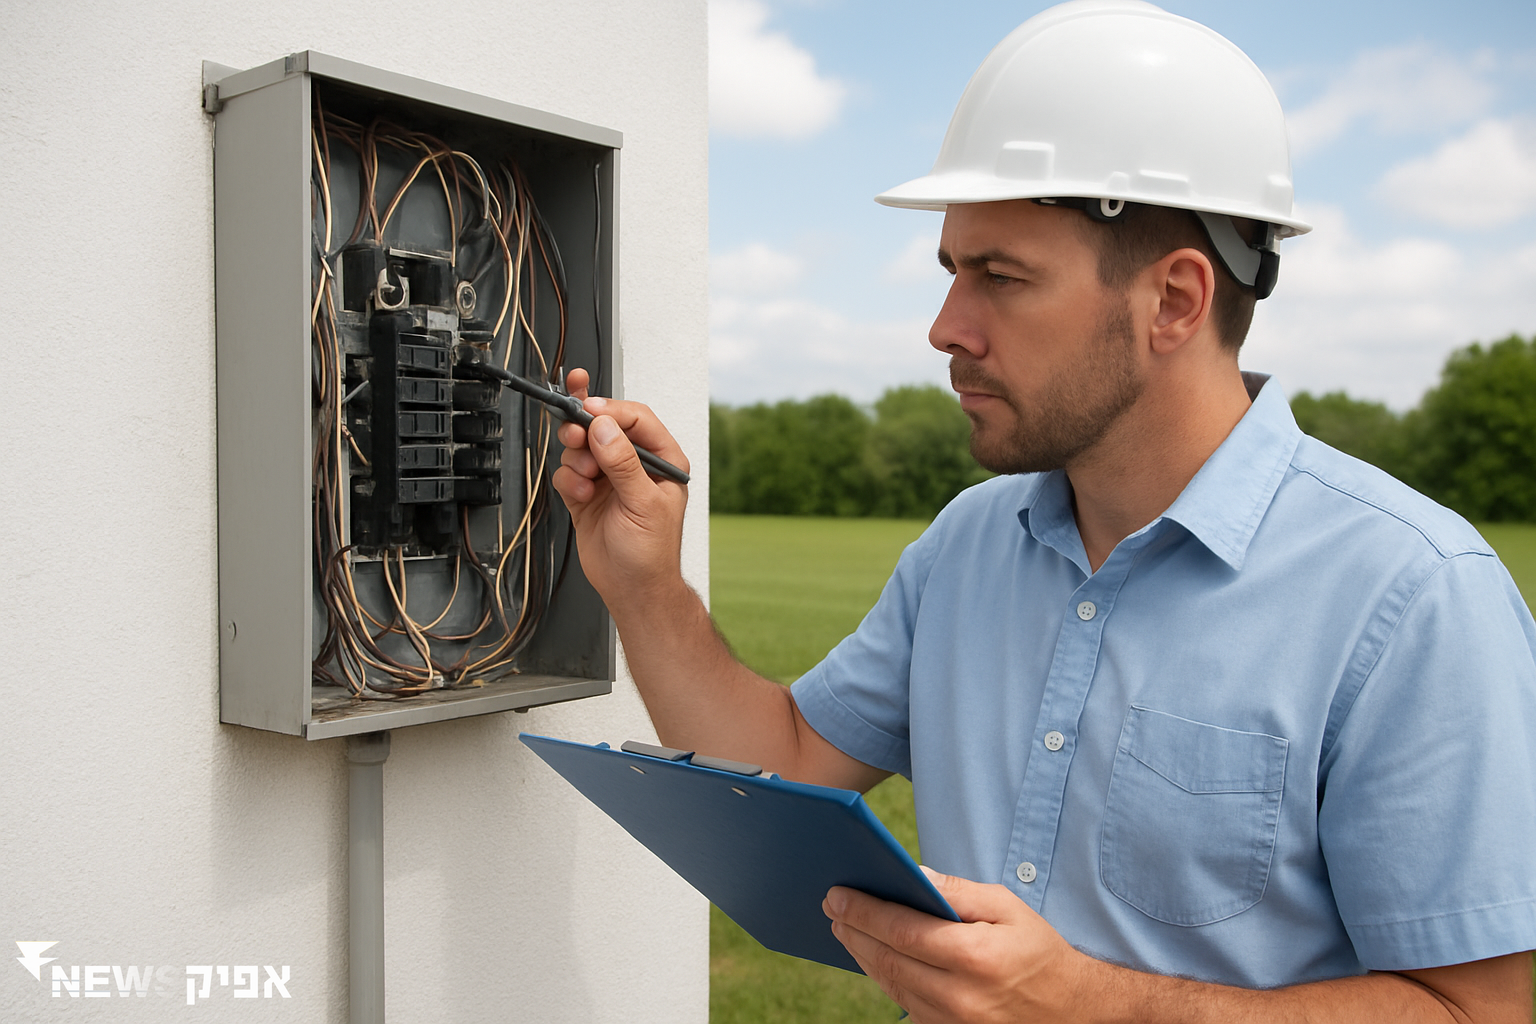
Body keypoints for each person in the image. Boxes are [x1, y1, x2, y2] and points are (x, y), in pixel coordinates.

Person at [551, 2, 1536, 1020]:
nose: (945, 328)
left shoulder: (1415, 595)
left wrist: (1095, 1004)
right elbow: (786, 762)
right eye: (951, 273)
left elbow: (1476, 1009)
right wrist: (645, 583)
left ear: (1176, 300)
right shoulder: (968, 545)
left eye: (1001, 277)